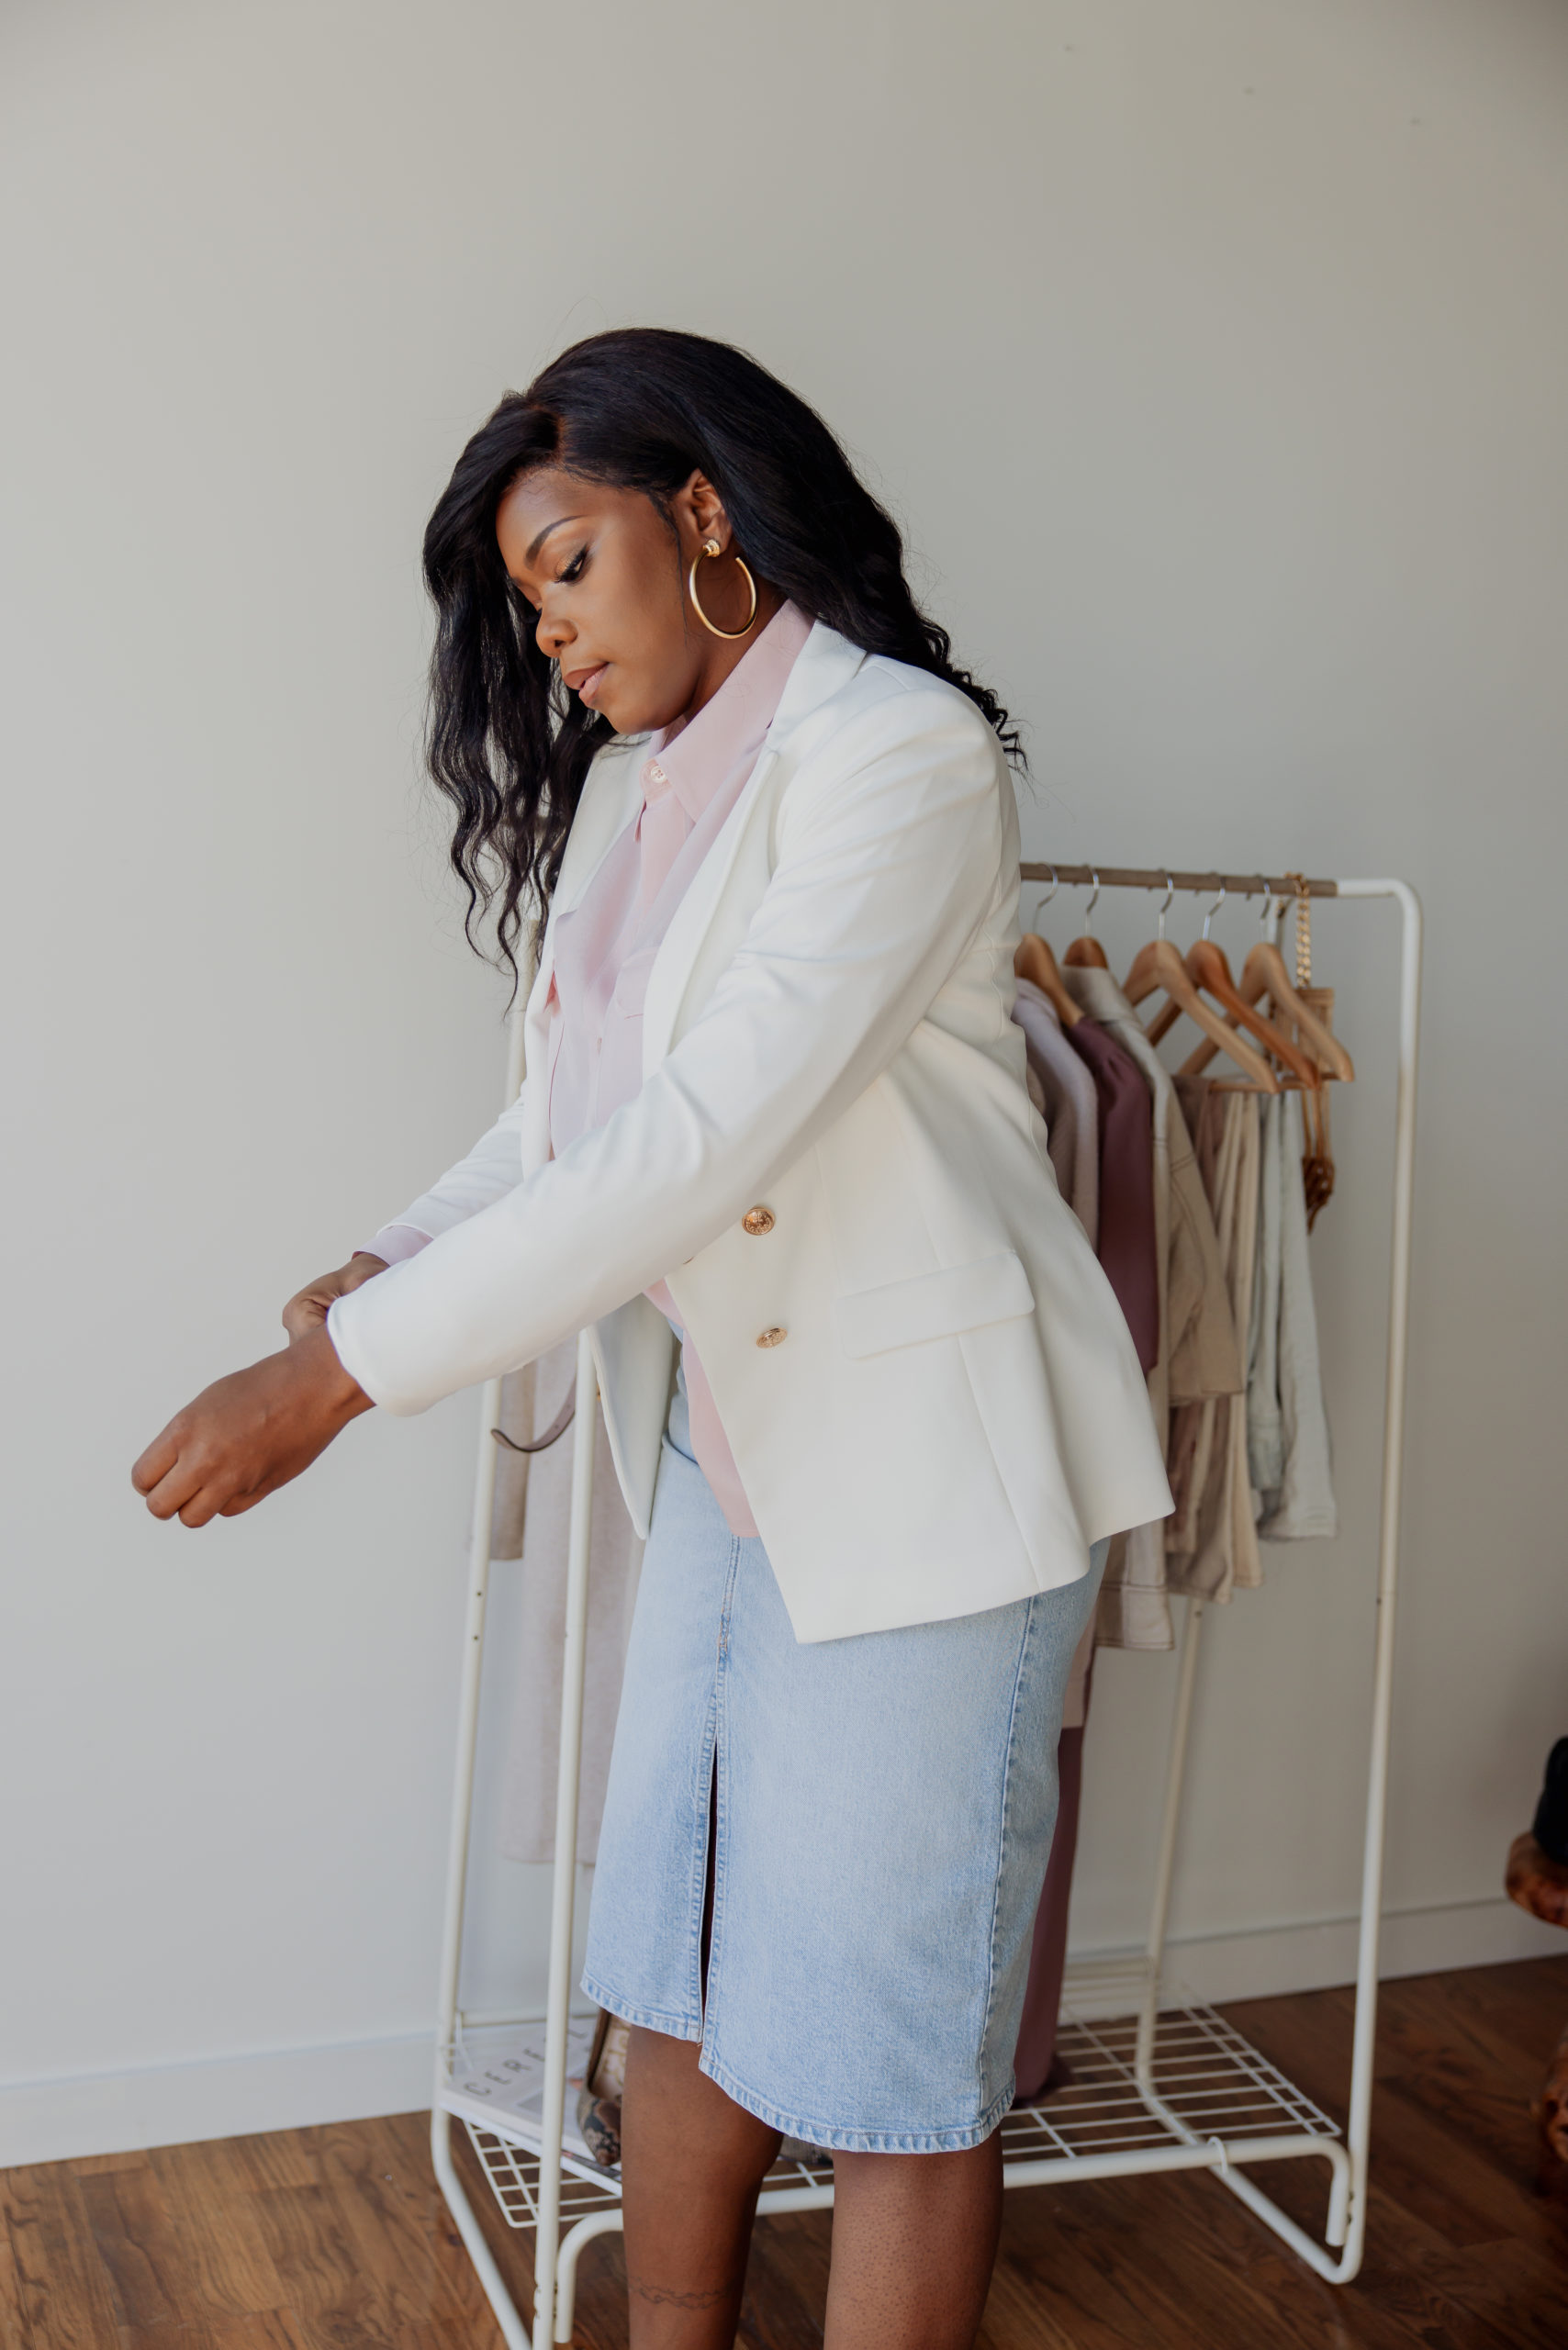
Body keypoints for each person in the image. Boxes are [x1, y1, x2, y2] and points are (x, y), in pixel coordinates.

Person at [133, 328, 1171, 2350]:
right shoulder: (631, 790)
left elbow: (709, 1136)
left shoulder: (898, 751)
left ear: (702, 516)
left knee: (885, 2054)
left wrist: (338, 1382)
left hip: (924, 1491)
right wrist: (383, 1256)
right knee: (676, 1961)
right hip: (727, 1459)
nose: (552, 641)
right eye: (525, 604)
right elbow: (563, 1120)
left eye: (567, 567)